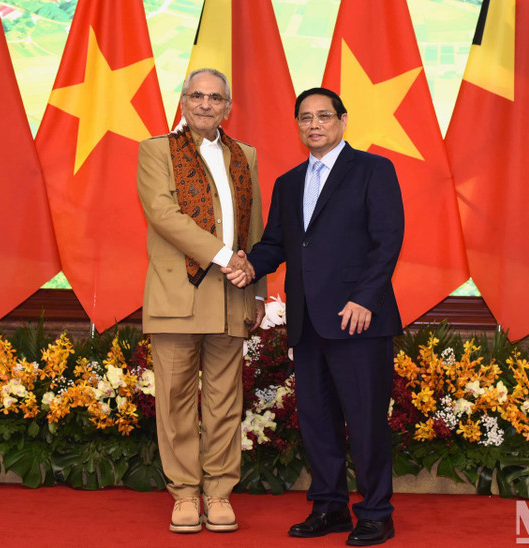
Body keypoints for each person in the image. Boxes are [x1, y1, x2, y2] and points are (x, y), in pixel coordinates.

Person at [225, 87, 404, 546]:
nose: (314, 124)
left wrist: (365, 298)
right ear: (298, 126)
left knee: (365, 421)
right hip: (307, 321)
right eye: (305, 118)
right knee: (317, 420)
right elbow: (275, 244)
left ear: (342, 120)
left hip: (358, 319)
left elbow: (387, 240)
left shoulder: (373, 170)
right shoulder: (289, 182)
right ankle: (329, 507)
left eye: (324, 116)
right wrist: (249, 265)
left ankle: (376, 513)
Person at [136, 68, 265, 534]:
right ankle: (186, 494)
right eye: (197, 95)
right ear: (183, 102)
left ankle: (219, 493)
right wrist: (226, 257)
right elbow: (163, 214)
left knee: (225, 402)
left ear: (227, 107)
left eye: (215, 97)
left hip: (233, 295)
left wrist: (257, 287)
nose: (206, 104)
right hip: (178, 295)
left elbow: (254, 225)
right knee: (174, 402)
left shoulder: (244, 154)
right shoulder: (156, 150)